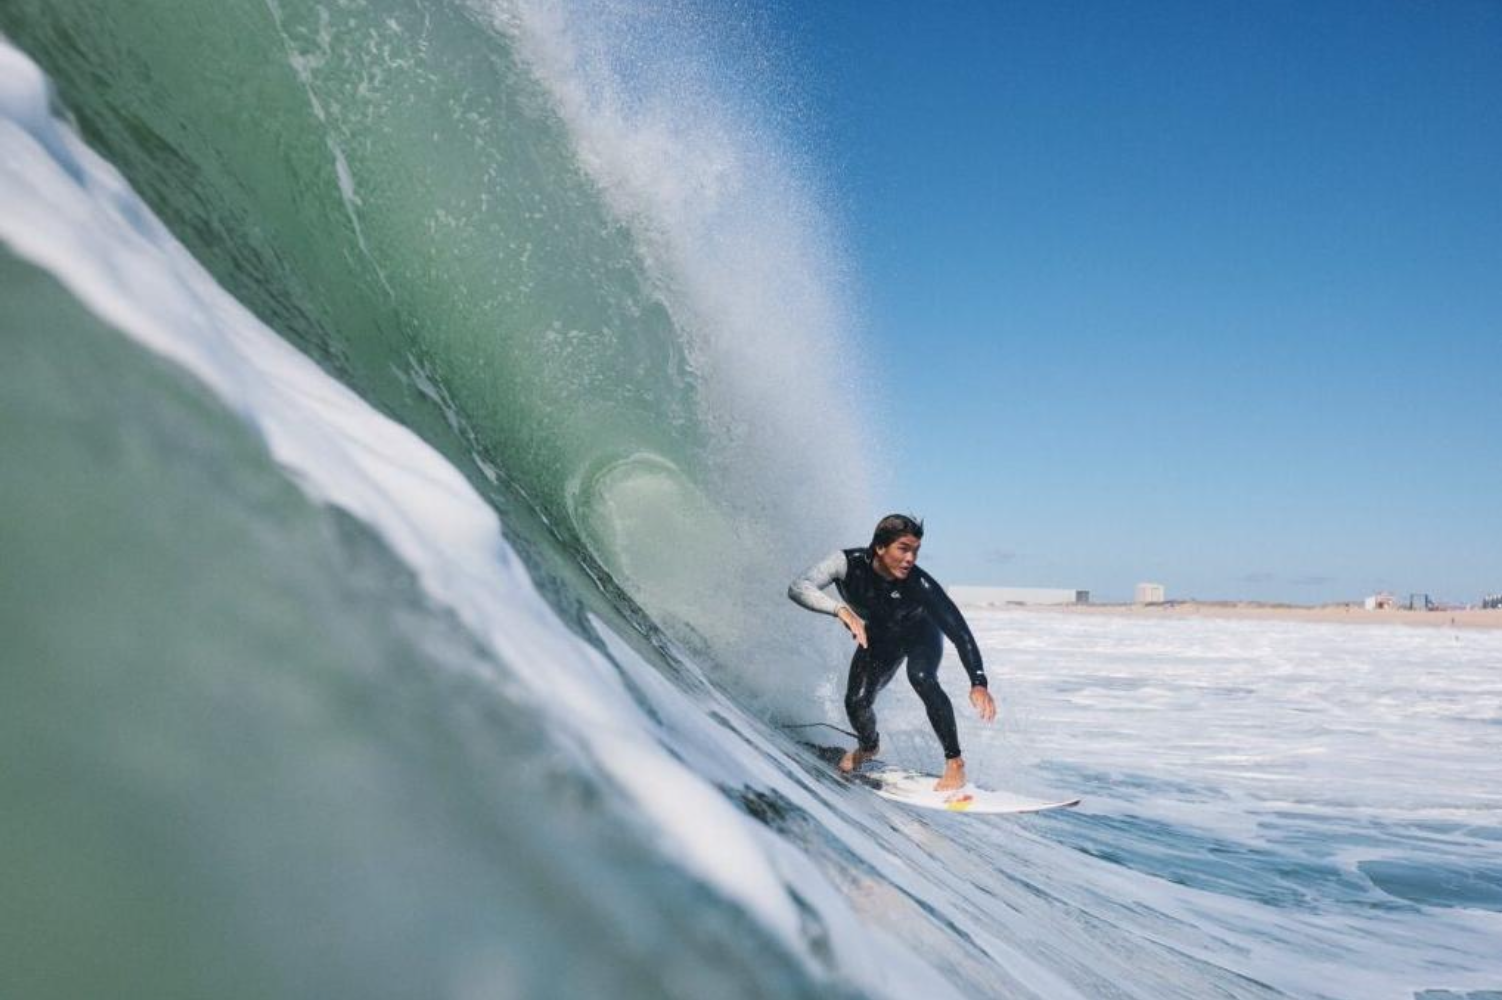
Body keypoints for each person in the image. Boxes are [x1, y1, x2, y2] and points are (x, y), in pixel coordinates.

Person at [788, 514, 996, 791]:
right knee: (857, 702)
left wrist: (978, 682)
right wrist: (840, 610)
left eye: (916, 551)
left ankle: (955, 762)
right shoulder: (845, 564)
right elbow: (798, 587)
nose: (911, 558)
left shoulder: (919, 584)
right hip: (880, 640)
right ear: (880, 547)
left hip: (920, 636)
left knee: (921, 677)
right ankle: (869, 747)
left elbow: (960, 632)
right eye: (903, 548)